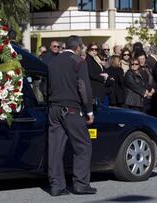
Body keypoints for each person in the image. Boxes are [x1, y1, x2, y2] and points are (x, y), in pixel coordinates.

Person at [47, 35, 97, 196]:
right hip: (71, 109)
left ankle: (56, 186)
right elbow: (83, 87)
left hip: (54, 108)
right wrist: (89, 110)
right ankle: (81, 184)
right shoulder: (78, 62)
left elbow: (44, 86)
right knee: (83, 146)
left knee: (55, 149)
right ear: (78, 47)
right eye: (81, 48)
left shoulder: (51, 61)